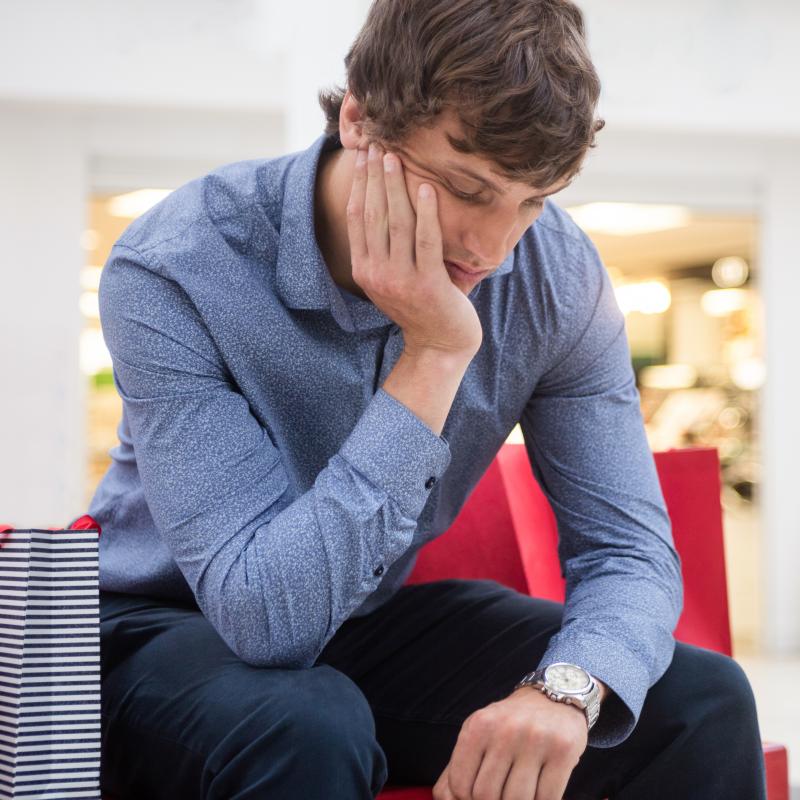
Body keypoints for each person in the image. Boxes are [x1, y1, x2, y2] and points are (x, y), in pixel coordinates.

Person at [90, 0, 767, 798]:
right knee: (304, 720)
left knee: (703, 700)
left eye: (532, 199)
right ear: (360, 120)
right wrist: (436, 352)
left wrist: (570, 689)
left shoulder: (556, 278)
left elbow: (629, 553)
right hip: (165, 626)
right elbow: (263, 619)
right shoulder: (177, 267)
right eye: (463, 187)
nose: (492, 248)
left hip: (367, 624)